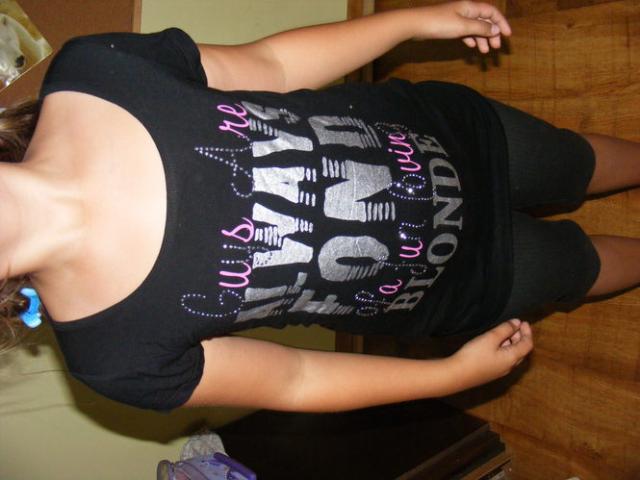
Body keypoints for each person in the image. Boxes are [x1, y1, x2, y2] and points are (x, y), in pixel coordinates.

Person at [1, 1, 639, 413]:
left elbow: (272, 64)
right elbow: (294, 379)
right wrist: (448, 377)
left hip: (459, 140)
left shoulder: (95, 74)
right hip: (464, 283)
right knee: (577, 267)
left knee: (573, 162)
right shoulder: (113, 357)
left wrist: (410, 22)